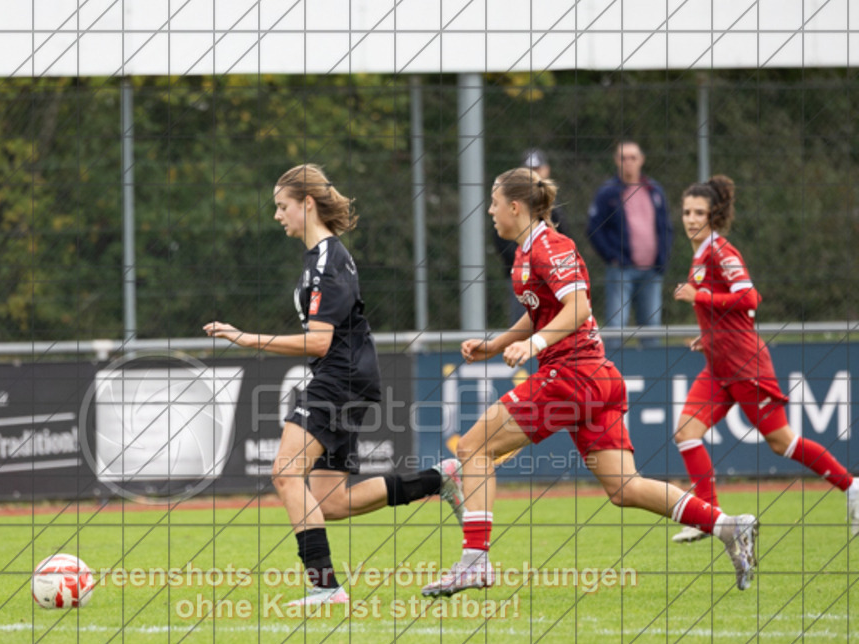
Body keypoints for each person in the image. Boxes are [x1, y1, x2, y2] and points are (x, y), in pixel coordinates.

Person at [420, 167, 759, 597]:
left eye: (493, 202)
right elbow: (543, 309)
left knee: (472, 448)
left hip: (573, 375)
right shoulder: (526, 251)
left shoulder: (551, 245)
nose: (489, 211)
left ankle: (475, 562)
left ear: (515, 206)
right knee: (624, 488)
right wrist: (498, 344)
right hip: (592, 379)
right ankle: (728, 526)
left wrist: (535, 344)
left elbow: (577, 307)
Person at [204, 164, 465, 606]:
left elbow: (321, 341)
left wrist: (246, 338)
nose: (277, 215)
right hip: (347, 379)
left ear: (307, 204)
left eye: (282, 206)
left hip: (339, 379)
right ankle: (439, 479)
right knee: (329, 503)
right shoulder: (318, 259)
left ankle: (324, 587)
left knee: (285, 474)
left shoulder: (329, 259)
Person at [669, 175, 859, 543]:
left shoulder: (721, 252)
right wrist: (708, 338)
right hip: (719, 365)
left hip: (745, 366)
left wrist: (700, 297)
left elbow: (750, 299)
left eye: (699, 213)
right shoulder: (700, 254)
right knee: (685, 433)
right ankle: (708, 517)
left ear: (715, 215)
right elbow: (725, 310)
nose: (691, 219)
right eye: (687, 212)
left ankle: (852, 486)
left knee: (782, 442)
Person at [587, 140, 673, 347]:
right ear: (617, 161)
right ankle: (611, 375)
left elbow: (666, 227)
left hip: (651, 270)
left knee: (652, 325)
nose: (628, 163)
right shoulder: (608, 192)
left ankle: (655, 372)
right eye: (624, 158)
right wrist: (613, 257)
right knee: (617, 325)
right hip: (621, 270)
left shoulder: (654, 190)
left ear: (641, 160)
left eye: (633, 158)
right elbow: (594, 229)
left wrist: (662, 259)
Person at [494, 149, 567, 323]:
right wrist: (527, 262)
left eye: (537, 169)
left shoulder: (553, 208)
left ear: (546, 170)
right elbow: (502, 240)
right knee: (525, 323)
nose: (534, 174)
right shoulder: (511, 205)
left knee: (552, 322)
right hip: (523, 276)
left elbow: (563, 238)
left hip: (551, 278)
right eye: (529, 170)